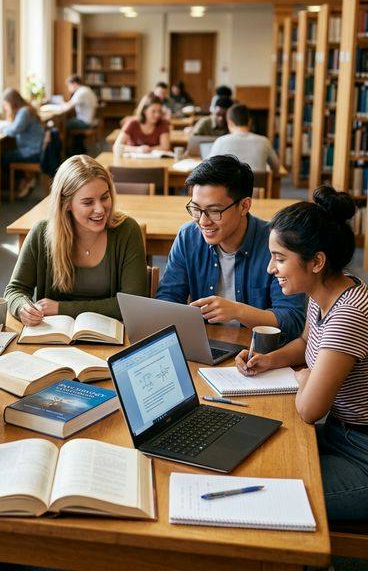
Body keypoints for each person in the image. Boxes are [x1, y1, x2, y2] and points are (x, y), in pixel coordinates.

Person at [235, 187, 368, 521]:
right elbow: (307, 344)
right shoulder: (328, 288)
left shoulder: (347, 315)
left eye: (280, 258)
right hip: (341, 433)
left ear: (317, 262)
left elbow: (309, 409)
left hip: (361, 453)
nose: (270, 269)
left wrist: (305, 375)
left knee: (266, 496)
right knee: (258, 454)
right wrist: (269, 360)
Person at [156, 155, 305, 341]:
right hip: (206, 344)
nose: (203, 221)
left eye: (214, 211)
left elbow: (292, 319)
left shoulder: (275, 244)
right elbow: (168, 297)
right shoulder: (188, 236)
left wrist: (238, 311)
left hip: (259, 353)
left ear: (244, 206)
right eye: (196, 209)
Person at [5, 155, 148, 325]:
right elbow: (15, 290)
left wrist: (61, 309)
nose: (100, 209)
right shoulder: (41, 233)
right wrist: (23, 308)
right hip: (54, 336)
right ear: (66, 204)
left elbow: (132, 303)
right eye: (88, 202)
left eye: (104, 197)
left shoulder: (127, 230)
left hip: (110, 336)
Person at [0, 87, 45, 199]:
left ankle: (24, 181)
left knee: (3, 159)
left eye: (6, 104)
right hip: (36, 148)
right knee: (7, 155)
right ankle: (26, 179)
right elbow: (14, 126)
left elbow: (13, 131)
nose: (5, 107)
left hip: (32, 151)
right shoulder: (26, 109)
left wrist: (1, 128)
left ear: (11, 102)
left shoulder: (24, 112)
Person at [210, 103, 281, 173]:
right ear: (250, 121)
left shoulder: (220, 142)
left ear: (230, 123)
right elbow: (276, 168)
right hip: (257, 184)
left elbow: (207, 168)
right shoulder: (264, 141)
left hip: (230, 184)